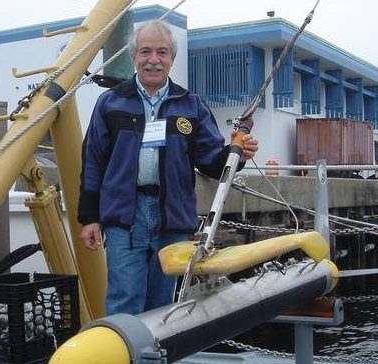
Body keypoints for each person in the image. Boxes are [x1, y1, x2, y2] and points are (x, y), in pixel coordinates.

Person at [77, 19, 258, 315]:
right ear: (134, 57)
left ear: (172, 59)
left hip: (172, 218)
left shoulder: (191, 105)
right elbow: (93, 162)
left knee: (163, 308)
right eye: (145, 51)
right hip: (125, 217)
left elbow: (212, 160)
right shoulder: (110, 103)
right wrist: (89, 217)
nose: (153, 60)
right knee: (124, 301)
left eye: (162, 52)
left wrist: (237, 152)